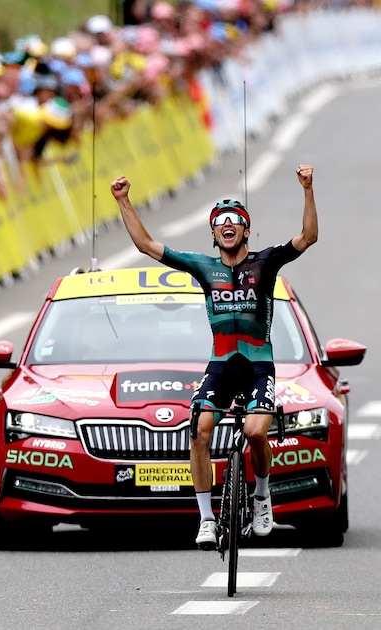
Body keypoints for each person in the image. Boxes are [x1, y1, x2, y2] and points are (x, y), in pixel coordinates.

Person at [111, 165, 318, 549]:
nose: (227, 225)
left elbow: (308, 237)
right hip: (221, 365)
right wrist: (123, 200)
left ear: (245, 230)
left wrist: (307, 189)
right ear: (213, 233)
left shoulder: (265, 262)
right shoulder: (203, 267)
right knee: (200, 430)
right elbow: (147, 246)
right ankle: (207, 519)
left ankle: (260, 498)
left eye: (235, 221)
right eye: (220, 221)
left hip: (258, 364)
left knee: (256, 432)